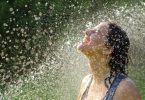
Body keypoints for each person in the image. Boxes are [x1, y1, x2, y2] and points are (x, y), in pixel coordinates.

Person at [76, 21, 141, 100]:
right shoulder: (86, 82)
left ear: (108, 49)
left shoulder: (124, 88)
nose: (86, 32)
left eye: (96, 32)